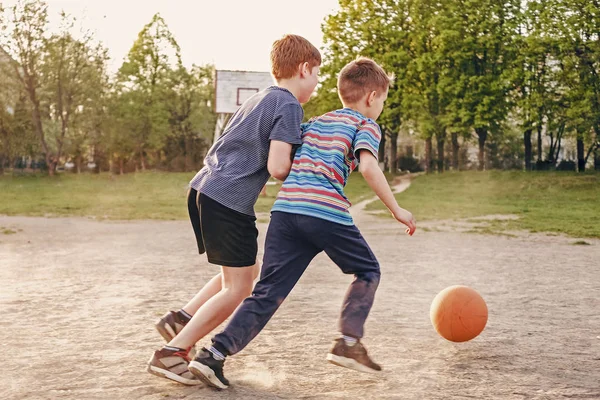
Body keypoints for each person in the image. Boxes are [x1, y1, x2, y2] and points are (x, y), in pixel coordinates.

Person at [188, 57, 416, 389]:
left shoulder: (316, 122)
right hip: (324, 212)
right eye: (382, 100)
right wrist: (396, 209)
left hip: (286, 213)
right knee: (368, 271)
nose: (380, 107)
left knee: (266, 292)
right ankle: (348, 342)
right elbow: (368, 168)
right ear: (371, 98)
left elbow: (284, 157)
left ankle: (213, 355)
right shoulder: (366, 125)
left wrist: (265, 179)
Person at [146, 34, 321, 385]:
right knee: (239, 288)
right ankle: (172, 353)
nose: (317, 83)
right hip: (228, 201)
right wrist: (301, 165)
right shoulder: (289, 106)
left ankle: (181, 318)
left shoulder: (260, 98)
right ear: (304, 68)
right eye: (317, 74)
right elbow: (277, 167)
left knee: (243, 271)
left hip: (204, 189)